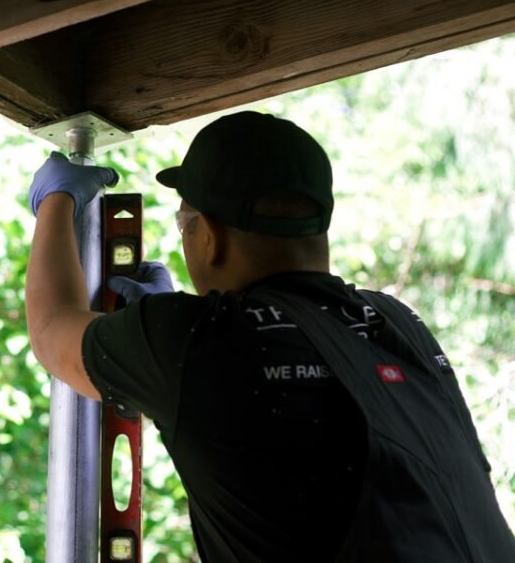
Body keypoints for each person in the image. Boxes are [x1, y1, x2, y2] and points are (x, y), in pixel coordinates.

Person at [25, 111, 515, 562]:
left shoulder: (197, 343)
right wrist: (168, 345)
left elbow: (52, 330)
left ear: (210, 236)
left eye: (184, 225)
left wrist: (56, 200)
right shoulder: (398, 323)